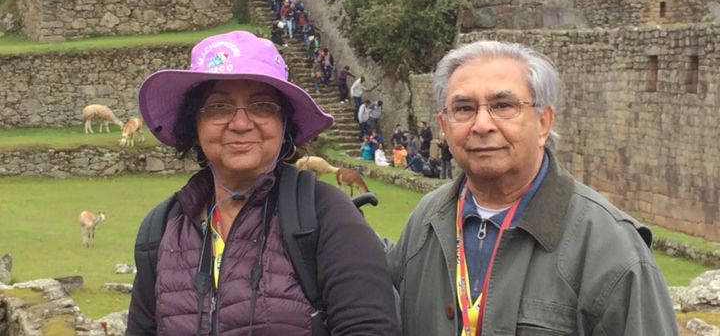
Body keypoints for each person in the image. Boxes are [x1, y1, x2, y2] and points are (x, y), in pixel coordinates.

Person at [387, 40, 677, 336]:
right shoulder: (426, 221)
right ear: (444, 126)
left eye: (503, 106)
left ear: (543, 122)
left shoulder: (610, 247)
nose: (482, 124)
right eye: (464, 108)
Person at [126, 31, 398, 335]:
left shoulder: (326, 217)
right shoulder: (162, 230)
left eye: (262, 105)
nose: (241, 123)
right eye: (219, 107)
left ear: (284, 125)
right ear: (195, 124)